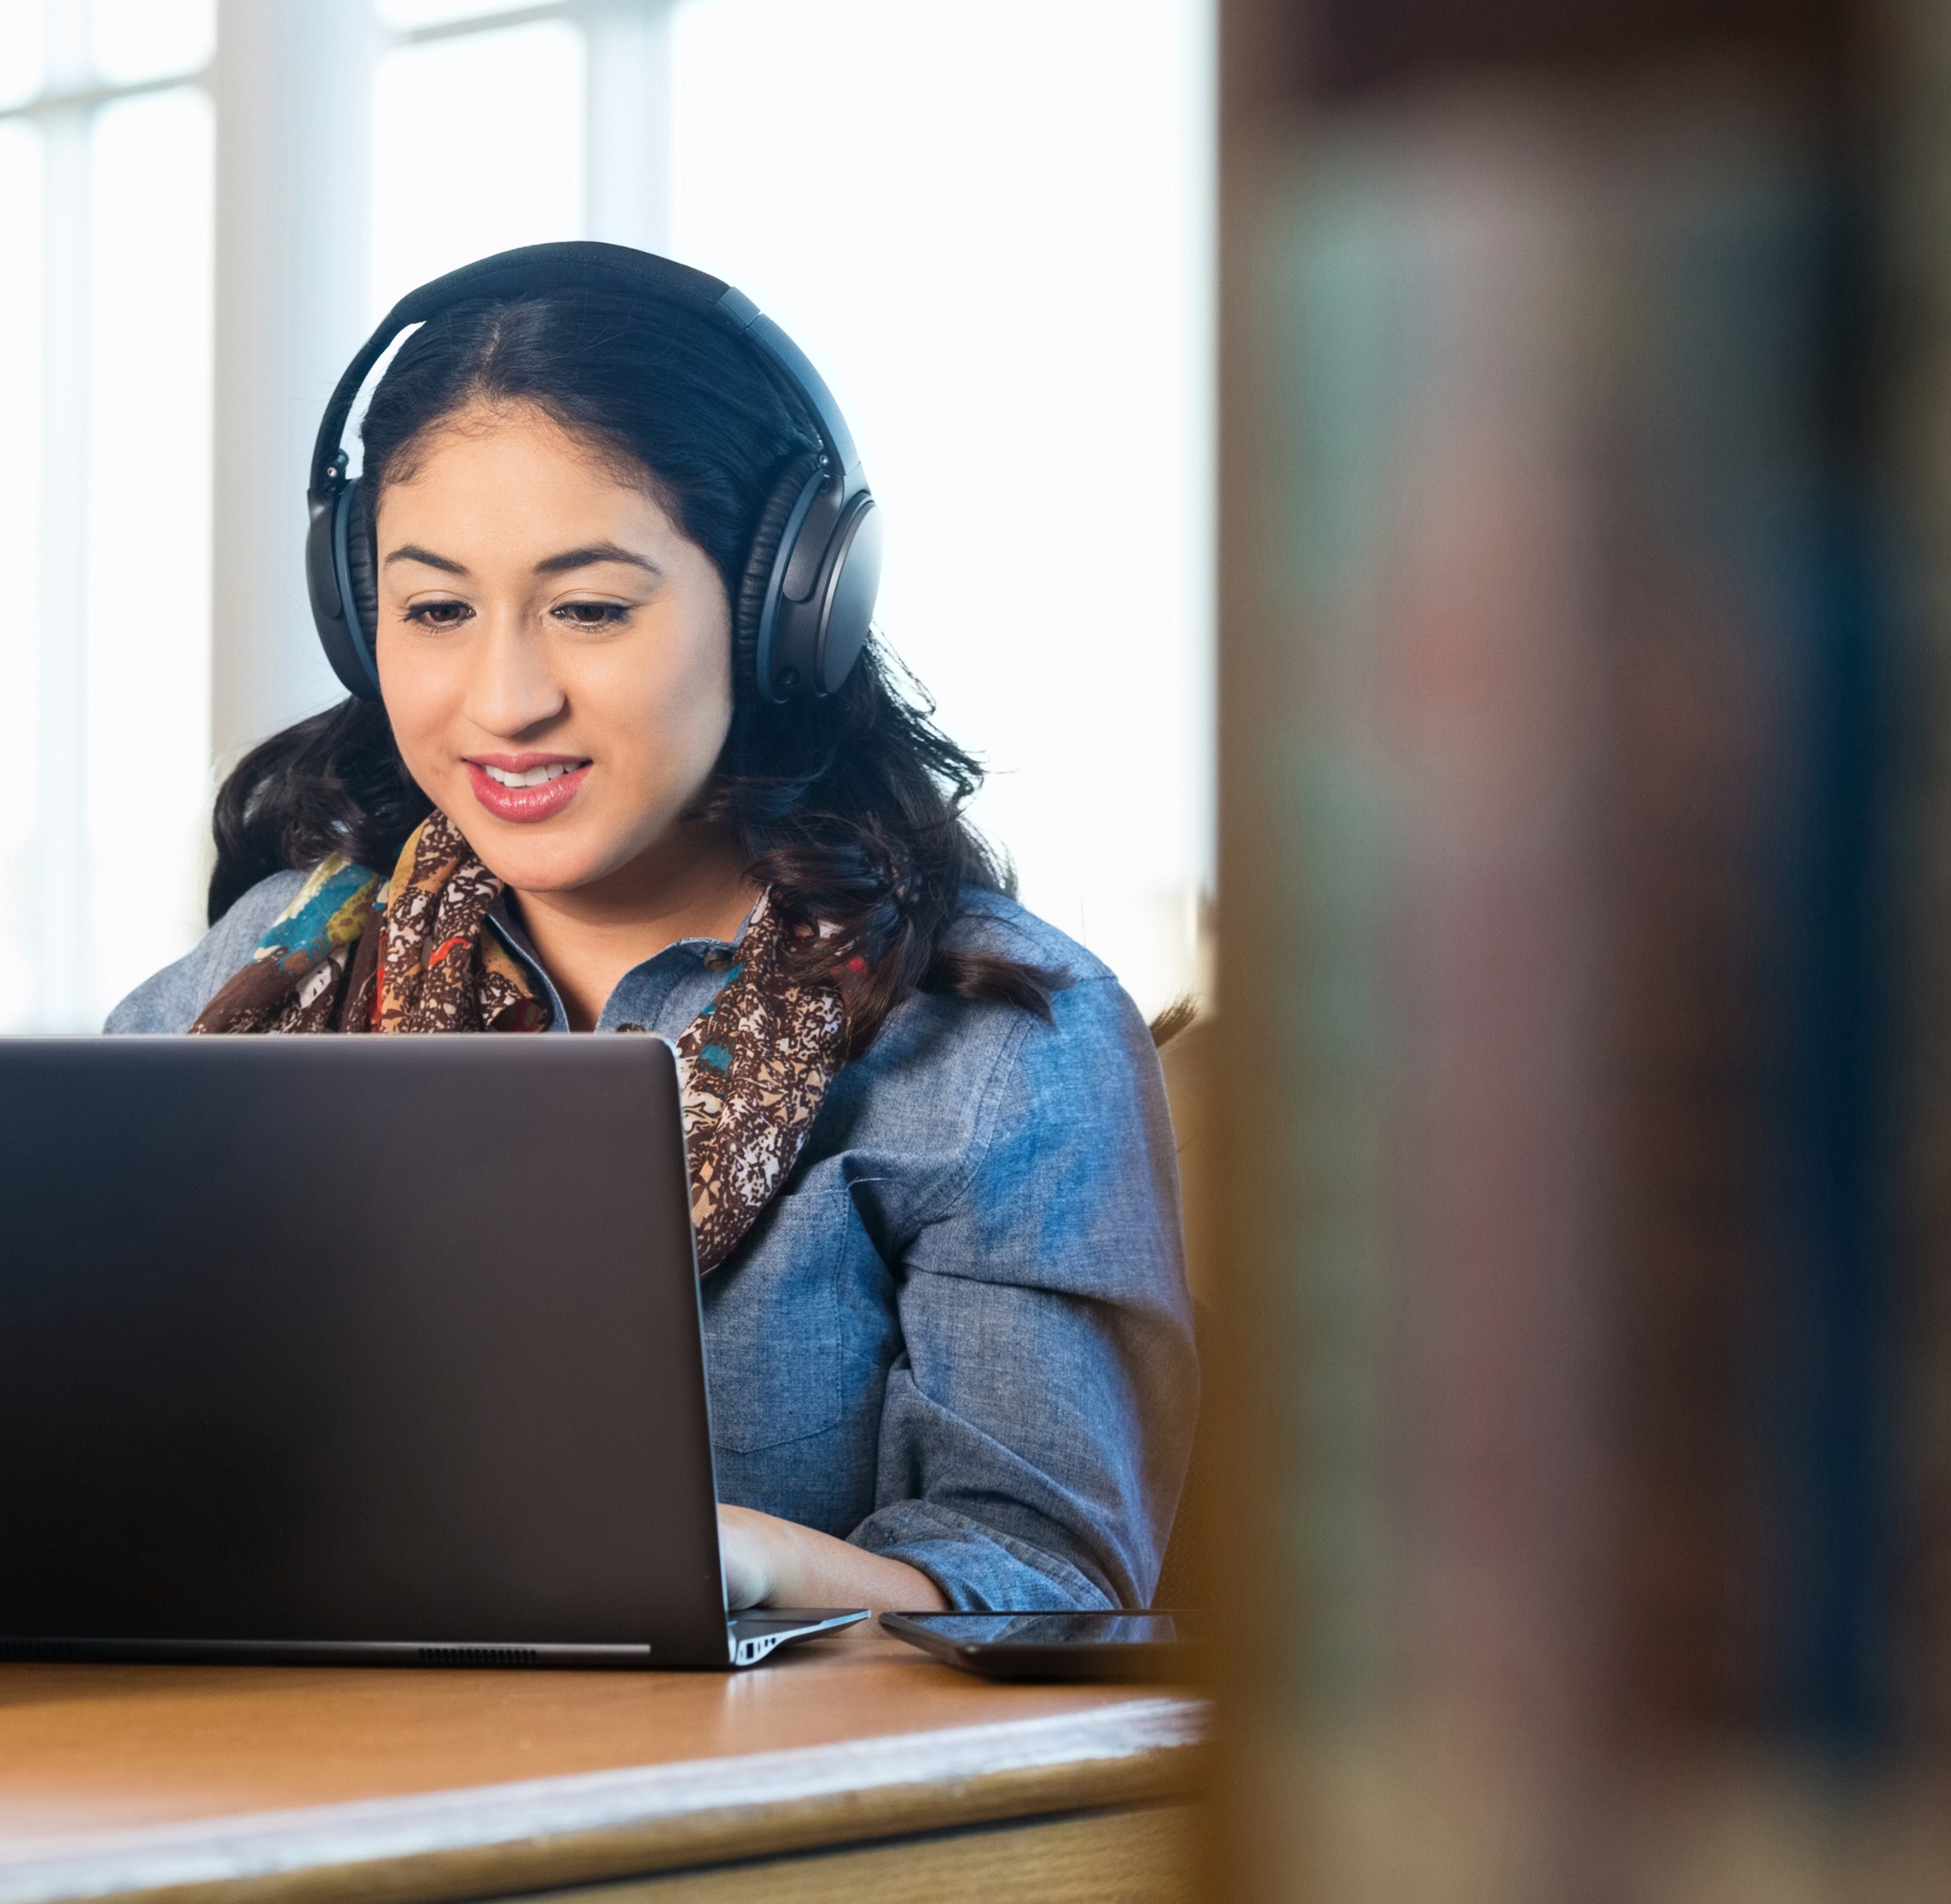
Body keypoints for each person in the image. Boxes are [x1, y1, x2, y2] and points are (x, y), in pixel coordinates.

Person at [107, 244, 1194, 1616]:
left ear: (783, 613)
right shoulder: (282, 958)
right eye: (435, 609)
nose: (504, 700)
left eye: (591, 610)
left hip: (737, 1806)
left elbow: (1053, 1576)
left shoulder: (997, 1044)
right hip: (258, 1772)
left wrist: (744, 1557)